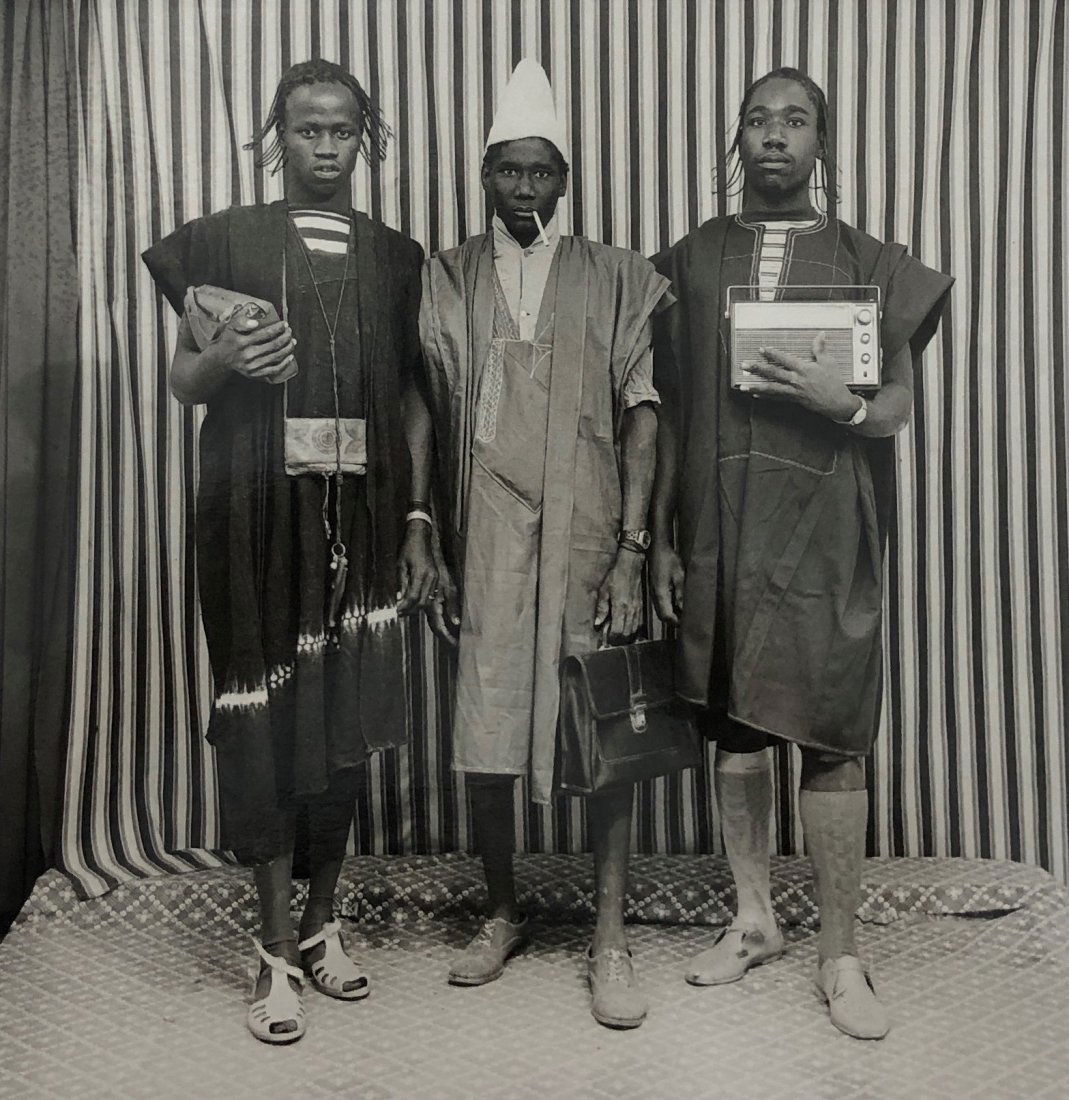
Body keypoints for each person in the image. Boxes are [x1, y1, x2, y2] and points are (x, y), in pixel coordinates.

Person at [650, 68, 953, 1040]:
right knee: (734, 723)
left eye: (795, 118)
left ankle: (839, 950)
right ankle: (751, 920)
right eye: (756, 117)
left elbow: (898, 405)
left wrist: (845, 405)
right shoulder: (690, 262)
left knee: (830, 732)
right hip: (719, 525)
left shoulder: (872, 260)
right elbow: (663, 408)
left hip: (827, 529)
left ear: (823, 140)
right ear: (731, 139)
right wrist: (656, 536)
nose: (773, 133)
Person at [142, 59, 436, 1044]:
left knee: (343, 720)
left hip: (360, 515)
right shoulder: (223, 241)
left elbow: (410, 400)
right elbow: (186, 381)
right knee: (265, 719)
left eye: (341, 129)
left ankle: (321, 923)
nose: (323, 146)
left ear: (368, 138)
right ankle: (270, 951)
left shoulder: (398, 257)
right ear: (279, 135)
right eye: (306, 129)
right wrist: (222, 358)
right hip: (253, 515)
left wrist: (415, 516)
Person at [416, 59, 672, 1029]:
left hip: (588, 525)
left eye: (541, 172)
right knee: (484, 720)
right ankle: (501, 907)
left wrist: (634, 549)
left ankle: (609, 932)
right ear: (484, 173)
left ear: (565, 178)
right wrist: (422, 526)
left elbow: (645, 412)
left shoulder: (618, 277)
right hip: (484, 526)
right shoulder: (447, 276)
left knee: (603, 725)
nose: (524, 188)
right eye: (507, 171)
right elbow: (420, 404)